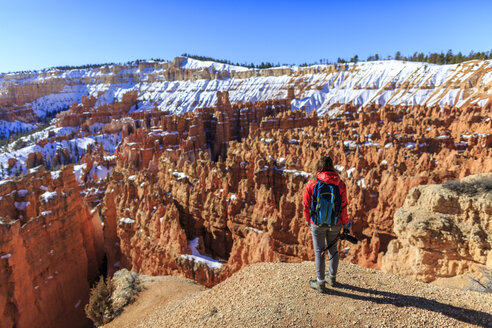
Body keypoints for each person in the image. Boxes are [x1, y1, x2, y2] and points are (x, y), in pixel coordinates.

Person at [303, 156, 352, 293]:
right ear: (332, 168)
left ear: (319, 168)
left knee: (319, 251)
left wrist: (308, 219)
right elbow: (343, 206)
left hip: (316, 223)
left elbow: (306, 205)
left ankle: (320, 283)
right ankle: (331, 278)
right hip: (335, 223)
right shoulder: (340, 184)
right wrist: (345, 223)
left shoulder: (312, 183)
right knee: (333, 250)